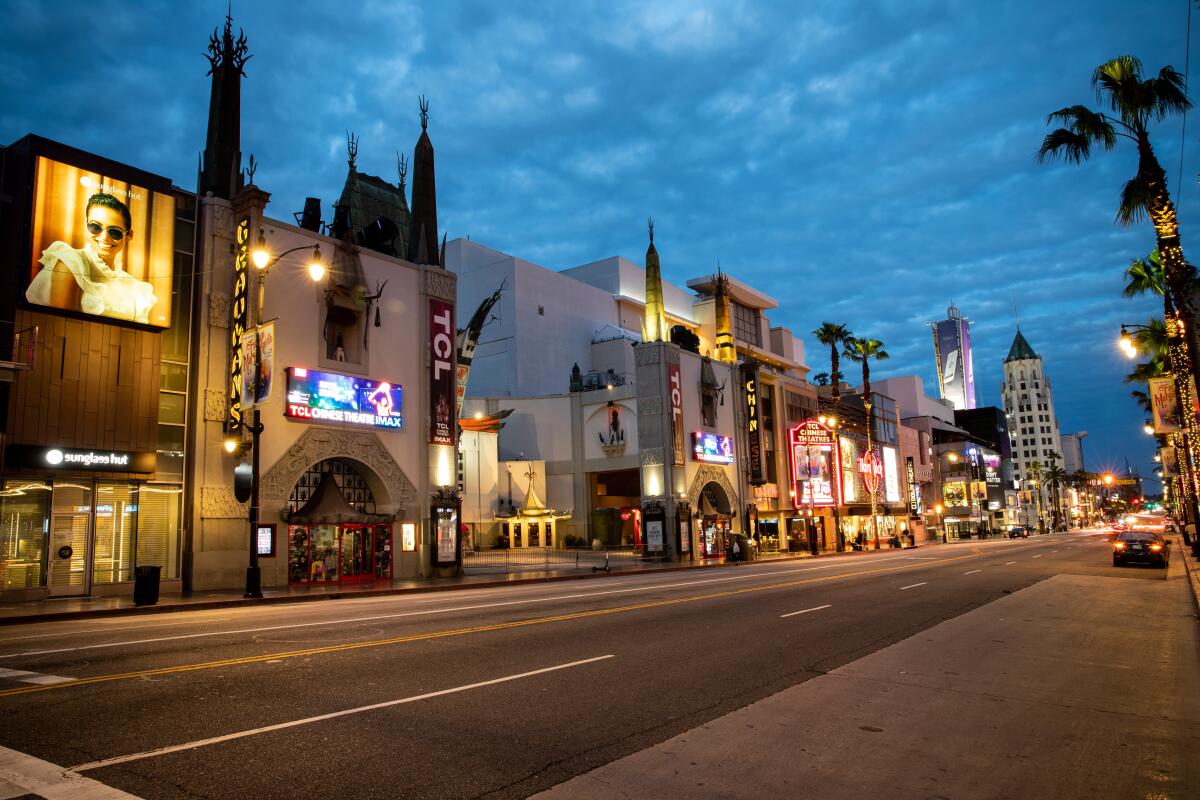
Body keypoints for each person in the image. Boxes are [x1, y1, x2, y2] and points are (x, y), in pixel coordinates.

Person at [26, 192, 158, 324]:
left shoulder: (137, 288)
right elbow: (59, 323)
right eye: (95, 227)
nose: (104, 237)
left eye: (114, 231)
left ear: (129, 235)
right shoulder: (70, 262)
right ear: (86, 224)